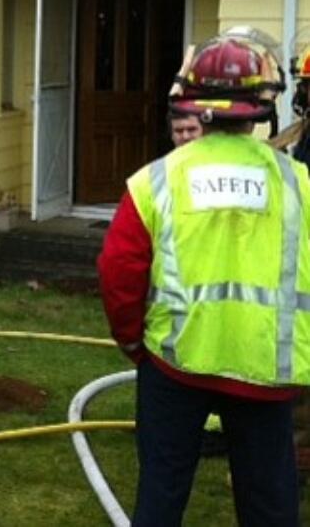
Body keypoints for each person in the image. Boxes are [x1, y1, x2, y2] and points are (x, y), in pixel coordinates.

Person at [98, 32, 308, 526]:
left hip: (175, 367)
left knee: (161, 496)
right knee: (270, 507)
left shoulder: (154, 181)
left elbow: (117, 272)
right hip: (266, 373)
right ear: (260, 103)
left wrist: (133, 343)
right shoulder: (297, 182)